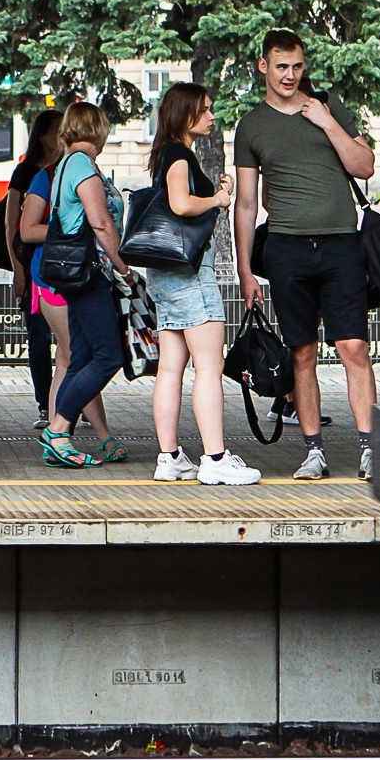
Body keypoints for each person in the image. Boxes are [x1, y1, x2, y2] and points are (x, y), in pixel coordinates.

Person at [232, 29, 379, 481]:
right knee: (302, 353)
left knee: (354, 346)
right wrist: (244, 269)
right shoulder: (252, 125)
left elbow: (365, 166)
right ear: (263, 67)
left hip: (340, 242)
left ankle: (370, 448)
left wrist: (328, 122)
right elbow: (245, 202)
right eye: (281, 66)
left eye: (297, 66)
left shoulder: (329, 108)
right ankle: (313, 451)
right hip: (287, 247)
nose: (290, 75)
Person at [145, 84, 256, 485]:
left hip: (164, 274)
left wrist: (217, 189)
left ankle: (169, 457)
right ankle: (215, 458)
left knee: (171, 368)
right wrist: (218, 201)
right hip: (190, 275)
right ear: (184, 114)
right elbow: (180, 204)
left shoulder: (166, 154)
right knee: (210, 365)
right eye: (205, 110)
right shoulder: (179, 154)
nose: (212, 116)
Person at [20, 103, 129, 469]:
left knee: (80, 357)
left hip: (73, 276)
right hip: (90, 274)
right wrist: (124, 268)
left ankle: (57, 435)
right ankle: (59, 430)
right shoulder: (82, 164)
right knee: (108, 356)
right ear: (97, 129)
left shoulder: (66, 163)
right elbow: (99, 223)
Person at [3, 109, 64, 424]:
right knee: (39, 338)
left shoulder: (69, 168)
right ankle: (45, 403)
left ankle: (68, 402)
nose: (62, 135)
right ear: (42, 135)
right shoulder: (27, 173)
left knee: (69, 342)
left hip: (67, 268)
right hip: (34, 265)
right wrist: (18, 269)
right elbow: (12, 224)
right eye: (57, 130)